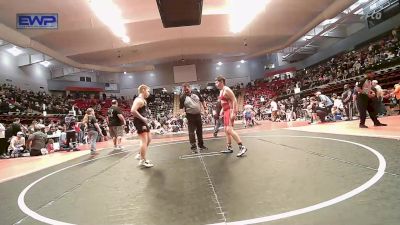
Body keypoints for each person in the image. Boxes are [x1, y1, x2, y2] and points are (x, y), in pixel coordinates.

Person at [215, 76, 247, 157]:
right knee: (226, 130)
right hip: (226, 111)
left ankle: (242, 147)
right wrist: (222, 111)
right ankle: (229, 148)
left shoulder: (227, 89)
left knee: (229, 129)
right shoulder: (221, 91)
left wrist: (234, 112)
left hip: (230, 111)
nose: (216, 84)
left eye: (217, 82)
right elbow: (224, 102)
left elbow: (234, 100)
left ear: (222, 81)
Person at [179, 83, 208, 153]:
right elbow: (181, 108)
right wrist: (183, 116)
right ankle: (193, 147)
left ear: (190, 88)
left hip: (198, 115)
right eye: (184, 90)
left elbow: (202, 100)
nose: (186, 91)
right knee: (191, 133)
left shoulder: (196, 93)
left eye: (187, 89)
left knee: (199, 131)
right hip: (190, 116)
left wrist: (205, 108)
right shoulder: (182, 97)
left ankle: (201, 145)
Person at [131, 85, 153, 168]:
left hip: (143, 122)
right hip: (140, 122)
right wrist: (143, 118)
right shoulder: (139, 100)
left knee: (149, 139)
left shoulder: (143, 100)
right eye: (148, 91)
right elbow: (133, 110)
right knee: (144, 141)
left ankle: (139, 154)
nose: (148, 93)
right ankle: (142, 160)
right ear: (143, 90)